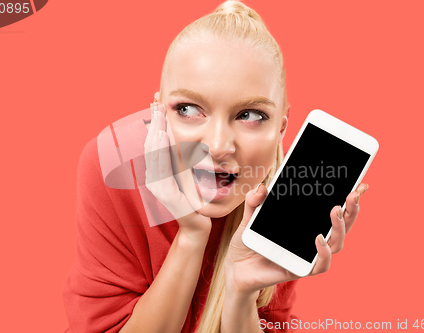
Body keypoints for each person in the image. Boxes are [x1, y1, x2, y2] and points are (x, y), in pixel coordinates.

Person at [62, 1, 369, 332]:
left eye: (250, 115)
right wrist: (191, 236)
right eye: (189, 109)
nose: (219, 145)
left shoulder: (274, 195)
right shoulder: (112, 165)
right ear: (157, 114)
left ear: (281, 128)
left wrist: (240, 295)